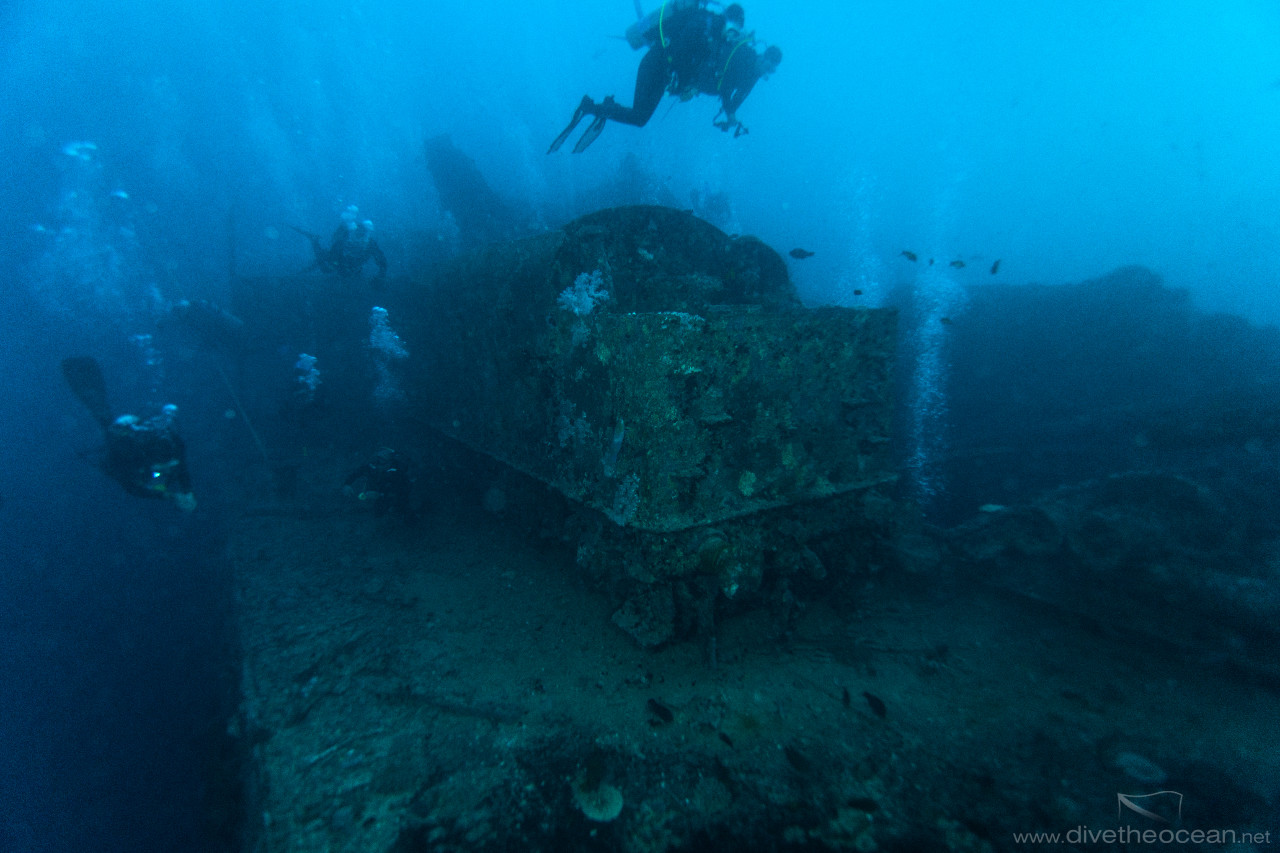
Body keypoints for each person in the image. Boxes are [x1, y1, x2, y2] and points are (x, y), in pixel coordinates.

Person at [549, 2, 779, 153]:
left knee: (640, 117)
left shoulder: (716, 39)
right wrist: (683, 80)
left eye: (736, 34)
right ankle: (594, 107)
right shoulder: (704, 25)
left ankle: (600, 108)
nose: (731, 36)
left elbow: (695, 64)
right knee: (639, 117)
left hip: (662, 73)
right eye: (732, 30)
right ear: (727, 21)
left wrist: (688, 85)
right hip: (655, 65)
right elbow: (678, 52)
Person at [61, 356, 197, 511]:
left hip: (135, 449)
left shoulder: (173, 446)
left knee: (105, 416)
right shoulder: (129, 457)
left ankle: (88, 385)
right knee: (104, 418)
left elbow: (180, 469)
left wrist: (185, 493)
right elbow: (131, 486)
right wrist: (173, 495)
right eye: (164, 466)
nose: (167, 469)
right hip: (124, 451)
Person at [293, 205, 388, 283]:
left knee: (334, 270)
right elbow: (331, 255)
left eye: (365, 232)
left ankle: (314, 241)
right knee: (326, 269)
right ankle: (314, 240)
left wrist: (381, 274)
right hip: (340, 261)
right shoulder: (345, 239)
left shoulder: (370, 243)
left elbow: (380, 259)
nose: (362, 235)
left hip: (349, 264)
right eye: (360, 232)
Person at [342, 447, 417, 523]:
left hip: (393, 497)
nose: (378, 464)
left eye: (382, 461)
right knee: (378, 513)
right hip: (380, 494)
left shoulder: (398, 473)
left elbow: (402, 491)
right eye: (378, 460)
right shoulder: (372, 466)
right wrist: (347, 484)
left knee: (401, 510)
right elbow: (357, 473)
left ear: (390, 462)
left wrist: (380, 495)